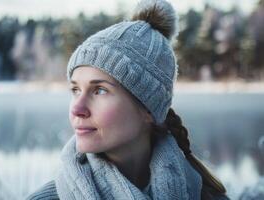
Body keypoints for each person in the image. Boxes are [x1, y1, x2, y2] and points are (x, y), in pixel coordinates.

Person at [27, 0, 229, 199]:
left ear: (148, 108)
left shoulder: (206, 195)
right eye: (75, 89)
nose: (77, 109)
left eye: (99, 90)